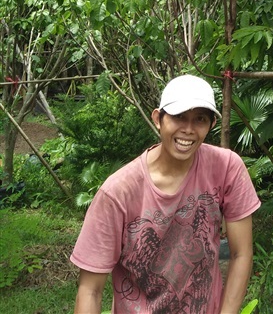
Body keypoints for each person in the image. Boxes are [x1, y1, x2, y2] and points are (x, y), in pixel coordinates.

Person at [71, 74, 261, 314]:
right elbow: (90, 290)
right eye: (178, 117)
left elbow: (241, 253)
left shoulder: (226, 168)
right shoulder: (117, 193)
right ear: (158, 119)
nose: (188, 130)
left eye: (200, 119)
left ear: (211, 125)